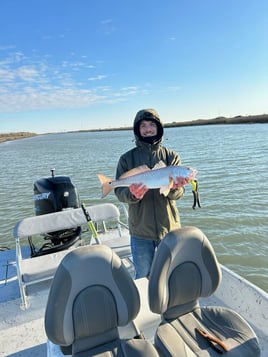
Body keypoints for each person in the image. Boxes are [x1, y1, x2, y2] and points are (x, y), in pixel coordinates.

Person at [114, 108, 189, 279]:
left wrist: (176, 188)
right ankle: (145, 305)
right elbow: (119, 192)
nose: (148, 129)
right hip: (140, 231)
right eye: (143, 126)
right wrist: (133, 194)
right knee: (143, 275)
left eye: (152, 125)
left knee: (171, 273)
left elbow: (178, 194)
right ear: (137, 130)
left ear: (159, 127)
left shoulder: (172, 157)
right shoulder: (126, 159)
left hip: (169, 228)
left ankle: (170, 304)